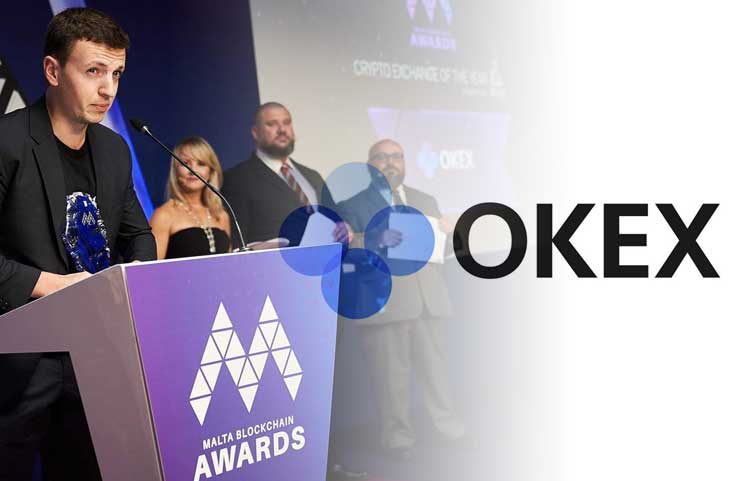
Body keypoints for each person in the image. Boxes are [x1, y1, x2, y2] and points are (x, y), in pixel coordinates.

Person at [0, 8, 156, 480]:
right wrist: (54, 285)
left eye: (116, 74)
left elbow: (138, 235)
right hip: (20, 358)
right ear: (52, 71)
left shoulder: (113, 150)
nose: (108, 89)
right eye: (93, 71)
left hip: (96, 351)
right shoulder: (7, 141)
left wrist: (131, 281)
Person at [337, 139, 465, 461]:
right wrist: (373, 239)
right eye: (381, 157)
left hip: (429, 301)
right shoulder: (351, 205)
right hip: (386, 305)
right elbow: (345, 253)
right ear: (369, 165)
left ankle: (449, 430)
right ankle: (398, 441)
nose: (390, 163)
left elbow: (445, 253)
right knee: (390, 380)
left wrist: (454, 233)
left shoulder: (426, 200)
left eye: (396, 157)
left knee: (438, 374)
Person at [221, 101, 349, 247]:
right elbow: (238, 244)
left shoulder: (312, 176)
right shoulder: (237, 179)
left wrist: (343, 228)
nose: (282, 129)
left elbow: (337, 220)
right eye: (272, 124)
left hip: (325, 258)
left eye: (287, 122)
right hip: (275, 261)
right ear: (255, 133)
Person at [150, 136, 231, 259]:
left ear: (211, 172)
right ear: (175, 171)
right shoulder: (163, 215)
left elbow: (230, 263)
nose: (193, 170)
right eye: (185, 163)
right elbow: (152, 268)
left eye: (201, 164)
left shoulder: (221, 215)